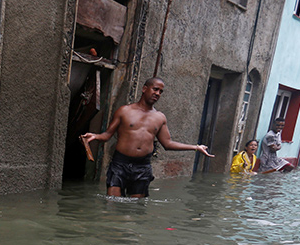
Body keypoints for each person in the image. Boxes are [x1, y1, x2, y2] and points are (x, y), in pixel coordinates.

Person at [81, 77, 214, 198]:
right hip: (120, 164)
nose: (157, 94)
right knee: (112, 203)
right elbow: (107, 135)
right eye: (155, 89)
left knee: (135, 208)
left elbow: (167, 144)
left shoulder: (160, 117)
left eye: (161, 92)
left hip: (142, 167)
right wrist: (96, 136)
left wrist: (196, 147)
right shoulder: (124, 111)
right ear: (145, 89)